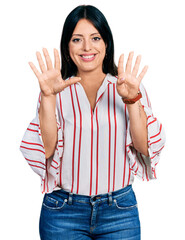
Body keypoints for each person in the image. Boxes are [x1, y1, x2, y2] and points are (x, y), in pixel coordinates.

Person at [20, 5, 165, 240]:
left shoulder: (128, 86)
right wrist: (47, 97)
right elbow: (46, 150)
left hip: (119, 212)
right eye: (77, 39)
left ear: (106, 44)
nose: (87, 47)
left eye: (95, 38)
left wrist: (131, 99)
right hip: (62, 213)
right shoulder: (55, 90)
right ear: (67, 47)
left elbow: (144, 147)